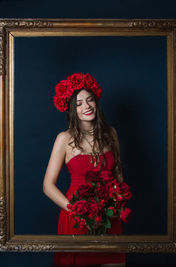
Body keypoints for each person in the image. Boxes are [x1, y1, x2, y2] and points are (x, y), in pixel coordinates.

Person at [43, 73, 126, 267]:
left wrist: (115, 206)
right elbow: (48, 186)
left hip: (108, 217)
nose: (86, 106)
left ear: (96, 102)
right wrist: (78, 212)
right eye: (79, 103)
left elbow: (118, 175)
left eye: (89, 100)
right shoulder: (64, 139)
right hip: (77, 218)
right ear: (72, 109)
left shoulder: (111, 133)